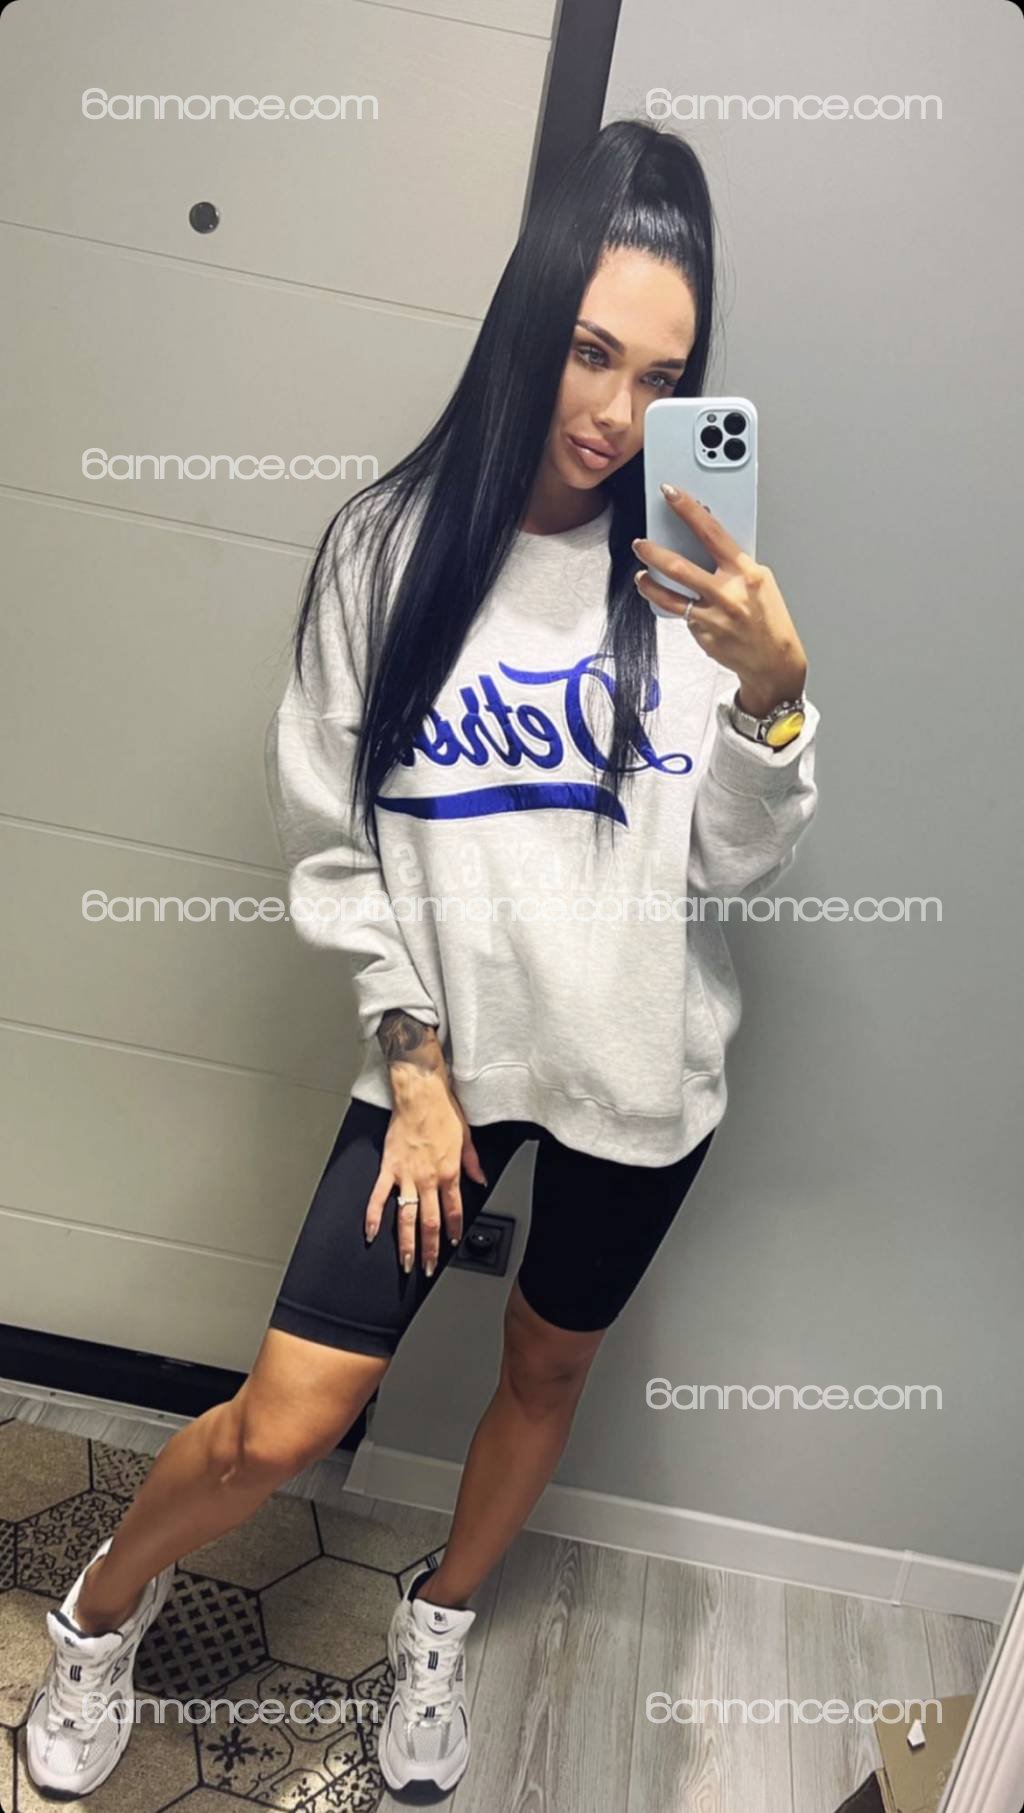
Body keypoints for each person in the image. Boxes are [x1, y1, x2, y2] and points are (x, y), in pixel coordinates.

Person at [26, 118, 819, 1800]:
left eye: (661, 376)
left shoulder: (695, 585)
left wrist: (770, 699)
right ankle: (96, 1611)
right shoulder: (387, 552)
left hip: (638, 1076)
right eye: (590, 350)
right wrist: (415, 1064)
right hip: (438, 1067)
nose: (614, 413)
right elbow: (334, 841)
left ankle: (439, 1616)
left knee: (546, 1363)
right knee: (286, 1418)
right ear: (530, 320)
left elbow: (735, 863)